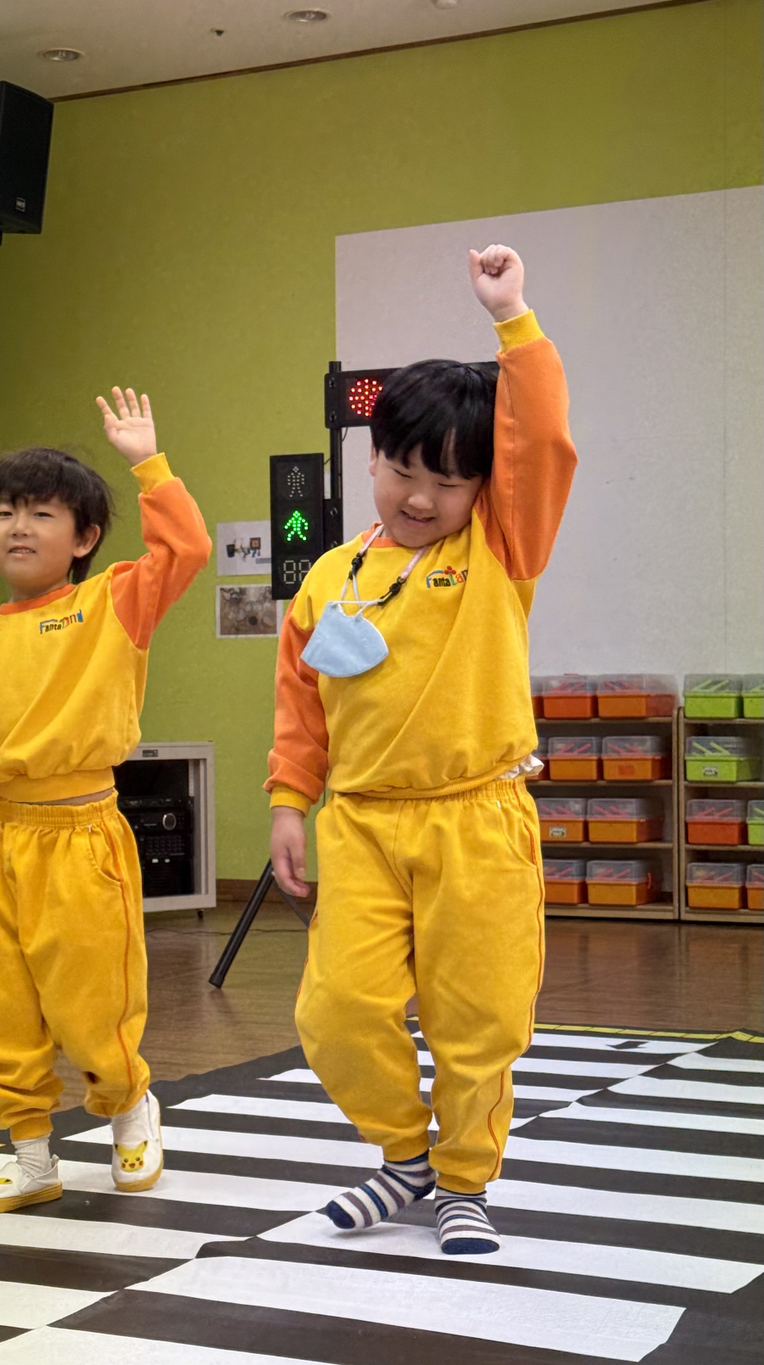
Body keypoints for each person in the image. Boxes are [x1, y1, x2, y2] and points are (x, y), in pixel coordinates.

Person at [267, 245, 577, 1254]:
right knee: (337, 1009)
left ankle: (464, 1180)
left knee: (478, 1018)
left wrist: (512, 317)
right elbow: (301, 707)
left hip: (477, 820)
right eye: (401, 470)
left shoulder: (498, 551)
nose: (417, 497)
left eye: (447, 481)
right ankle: (404, 1157)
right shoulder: (328, 578)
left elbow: (543, 442)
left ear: (483, 488)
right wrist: (287, 804)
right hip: (361, 823)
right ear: (372, 460)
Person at [0, 387, 212, 1213]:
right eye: (3, 512)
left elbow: (186, 549)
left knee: (93, 1001)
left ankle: (130, 1109)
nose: (18, 526)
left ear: (84, 538)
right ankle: (30, 1155)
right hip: (0, 842)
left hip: (82, 836)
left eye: (42, 513)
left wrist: (147, 464)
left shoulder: (111, 601)